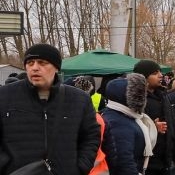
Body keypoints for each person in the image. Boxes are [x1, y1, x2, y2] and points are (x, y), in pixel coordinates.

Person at [0, 44, 102, 175]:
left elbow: (91, 137)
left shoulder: (79, 99)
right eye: (30, 63)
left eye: (42, 63)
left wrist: (80, 167)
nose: (35, 68)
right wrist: (5, 166)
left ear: (56, 67)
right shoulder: (4, 96)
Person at [103, 74, 161, 175]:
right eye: (139, 95)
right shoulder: (117, 122)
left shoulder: (124, 116)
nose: (143, 97)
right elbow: (123, 161)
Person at [135, 60, 173, 175]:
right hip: (145, 161)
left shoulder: (163, 95)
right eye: (155, 73)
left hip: (163, 159)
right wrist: (153, 127)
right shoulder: (136, 99)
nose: (161, 75)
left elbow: (172, 124)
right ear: (144, 77)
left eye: (160, 72)